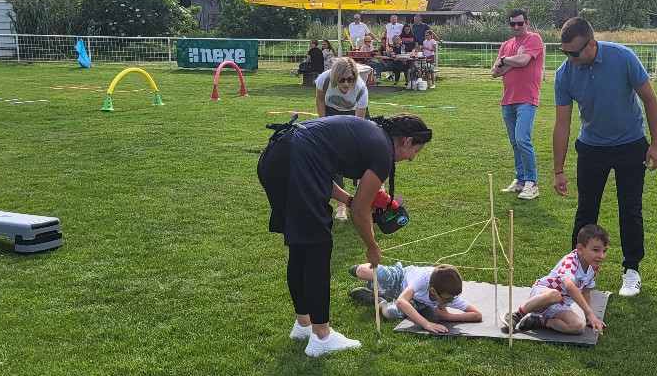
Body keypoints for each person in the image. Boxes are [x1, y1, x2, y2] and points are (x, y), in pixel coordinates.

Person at [257, 113, 433, 356]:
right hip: (296, 160)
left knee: (300, 248)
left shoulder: (370, 134)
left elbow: (319, 171)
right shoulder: (383, 152)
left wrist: (349, 200)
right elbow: (360, 211)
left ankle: (303, 324)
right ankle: (322, 336)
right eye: (416, 151)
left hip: (276, 156)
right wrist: (372, 246)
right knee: (317, 250)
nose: (412, 158)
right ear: (407, 141)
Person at [552, 17, 657, 298]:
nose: (570, 59)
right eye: (565, 52)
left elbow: (650, 99)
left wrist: (656, 145)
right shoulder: (564, 74)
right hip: (592, 147)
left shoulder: (623, 57)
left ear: (592, 44)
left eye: (574, 53)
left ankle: (631, 270)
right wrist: (558, 170)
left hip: (631, 144)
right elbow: (562, 123)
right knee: (586, 211)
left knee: (630, 209)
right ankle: (576, 273)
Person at [500, 223, 608, 336]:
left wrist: (588, 318)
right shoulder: (570, 261)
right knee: (555, 295)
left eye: (604, 251)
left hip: (560, 305)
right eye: (596, 250)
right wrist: (589, 313)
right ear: (580, 249)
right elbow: (570, 286)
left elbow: (586, 292)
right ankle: (516, 315)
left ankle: (539, 321)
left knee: (578, 326)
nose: (601, 256)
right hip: (543, 293)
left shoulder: (593, 267)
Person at [492, 9, 547, 201]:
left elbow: (523, 61)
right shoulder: (506, 45)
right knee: (515, 142)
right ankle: (521, 180)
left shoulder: (534, 39)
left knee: (522, 139)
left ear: (527, 23)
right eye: (512, 24)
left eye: (519, 23)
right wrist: (510, 62)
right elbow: (495, 72)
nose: (516, 27)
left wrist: (505, 61)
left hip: (527, 99)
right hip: (508, 100)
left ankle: (532, 183)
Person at [346, 262, 483, 334]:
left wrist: (448, 317)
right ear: (433, 291)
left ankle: (377, 299)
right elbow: (401, 301)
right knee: (362, 271)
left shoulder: (450, 295)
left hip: (416, 301)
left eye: (453, 298)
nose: (451, 301)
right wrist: (426, 323)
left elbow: (477, 314)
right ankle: (362, 270)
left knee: (389, 313)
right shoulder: (423, 277)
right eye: (447, 299)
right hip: (400, 279)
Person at [315, 59, 372, 220]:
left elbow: (358, 124)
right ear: (335, 77)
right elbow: (320, 100)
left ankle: (364, 203)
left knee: (361, 155)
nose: (346, 83)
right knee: (332, 156)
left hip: (355, 116)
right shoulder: (324, 80)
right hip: (332, 113)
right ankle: (341, 206)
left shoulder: (361, 89)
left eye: (350, 79)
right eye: (342, 79)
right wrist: (323, 124)